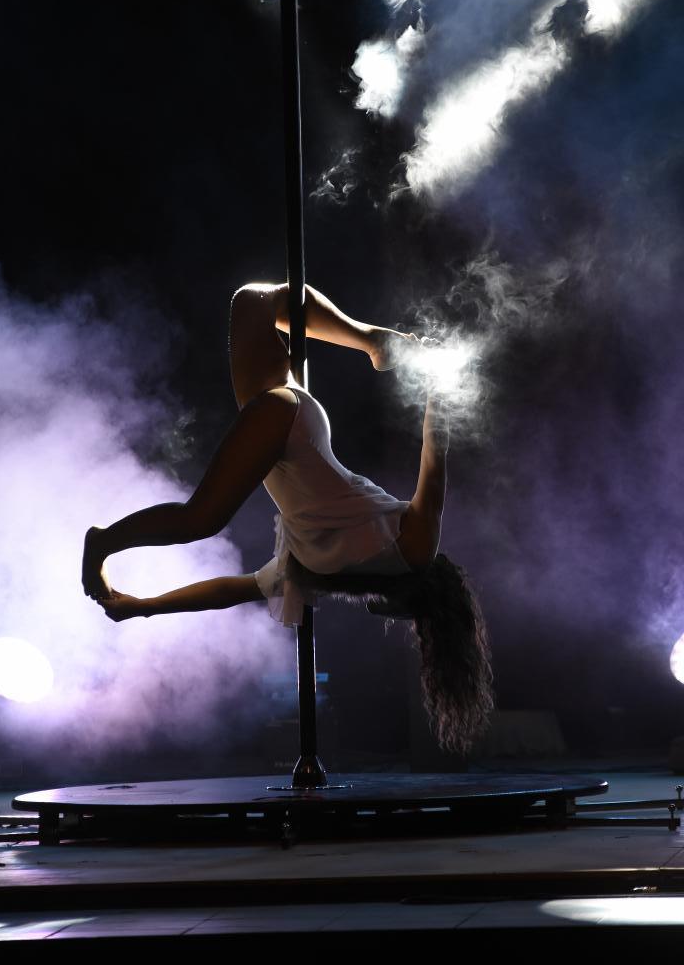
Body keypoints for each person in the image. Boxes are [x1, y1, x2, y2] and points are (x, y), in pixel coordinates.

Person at [82, 282, 493, 752]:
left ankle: (371, 341)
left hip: (288, 434)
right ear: (430, 609)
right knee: (201, 519)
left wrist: (144, 606)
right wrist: (439, 385)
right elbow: (434, 461)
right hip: (289, 428)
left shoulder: (321, 577)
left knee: (253, 303)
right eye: (417, 626)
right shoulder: (414, 551)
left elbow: (230, 591)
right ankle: (103, 541)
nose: (405, 626)